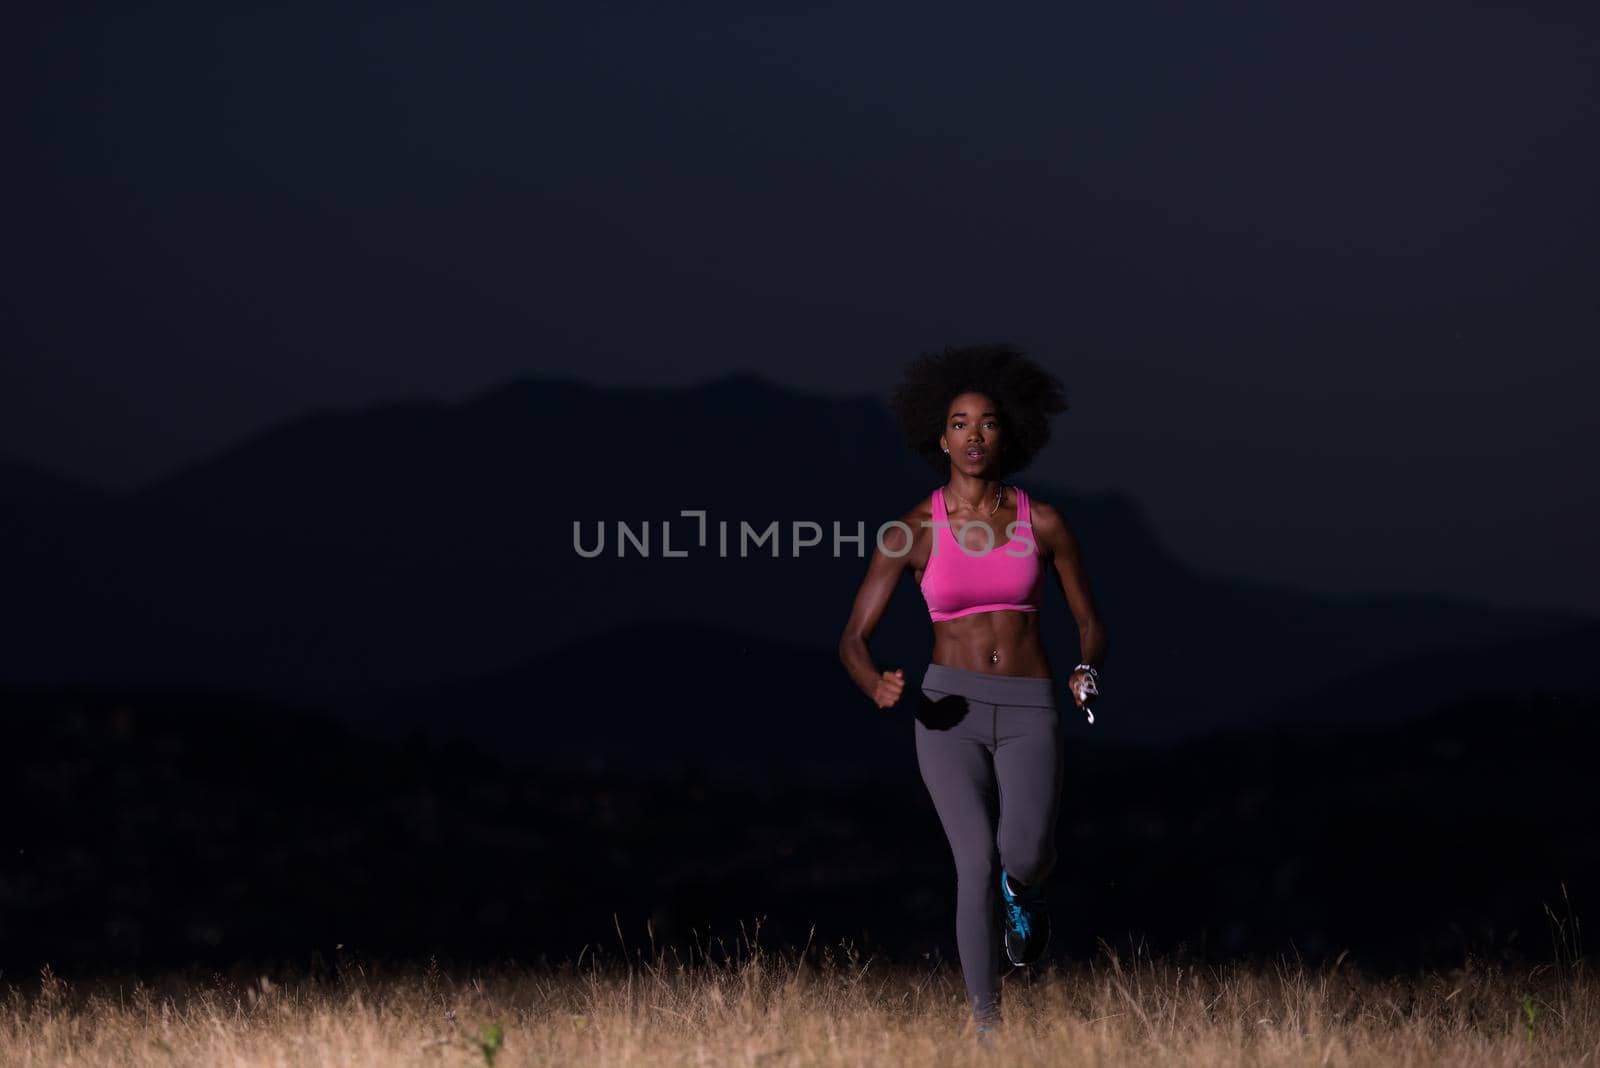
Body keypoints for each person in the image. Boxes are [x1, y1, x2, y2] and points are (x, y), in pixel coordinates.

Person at [838, 342, 1108, 1044]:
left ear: (1007, 433)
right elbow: (852, 638)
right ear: (940, 436)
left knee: (1023, 853)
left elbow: (1089, 622)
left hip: (1028, 706)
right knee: (974, 861)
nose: (974, 435)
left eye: (986, 422)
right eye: (959, 423)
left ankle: (1029, 895)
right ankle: (987, 1028)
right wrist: (874, 682)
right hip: (945, 711)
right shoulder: (913, 531)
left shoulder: (1043, 523)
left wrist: (1087, 668)